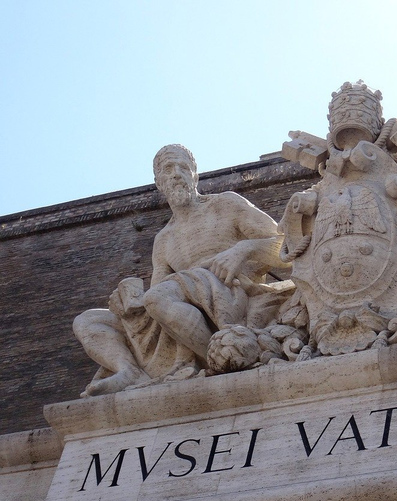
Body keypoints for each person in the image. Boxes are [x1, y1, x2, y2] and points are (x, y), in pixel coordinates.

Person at [74, 144, 289, 396]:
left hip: (229, 296)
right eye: (168, 169)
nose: (176, 173)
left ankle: (223, 357)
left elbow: (288, 248)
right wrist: (127, 305)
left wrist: (243, 250)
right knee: (89, 321)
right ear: (158, 182)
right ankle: (130, 370)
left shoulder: (225, 205)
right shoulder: (163, 239)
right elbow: (155, 297)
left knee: (159, 297)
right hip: (179, 308)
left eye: (183, 167)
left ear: (195, 175)